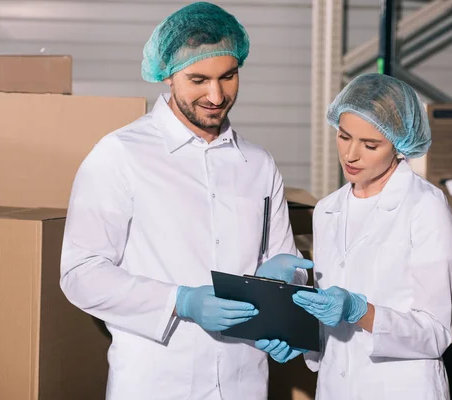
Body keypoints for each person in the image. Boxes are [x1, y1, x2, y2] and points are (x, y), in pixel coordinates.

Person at [60, 3, 311, 399]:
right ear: (168, 76)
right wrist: (180, 301)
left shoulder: (258, 164)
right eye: (199, 79)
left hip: (242, 380)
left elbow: (283, 265)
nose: (216, 95)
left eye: (228, 76)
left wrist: (285, 317)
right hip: (156, 381)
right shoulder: (121, 155)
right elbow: (81, 274)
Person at [256, 73, 452, 399]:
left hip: (400, 388)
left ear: (399, 145)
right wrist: (297, 335)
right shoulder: (327, 210)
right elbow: (329, 325)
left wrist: (359, 311)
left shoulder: (425, 207)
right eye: (344, 136)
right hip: (337, 387)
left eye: (370, 145)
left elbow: (435, 334)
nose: (350, 155)